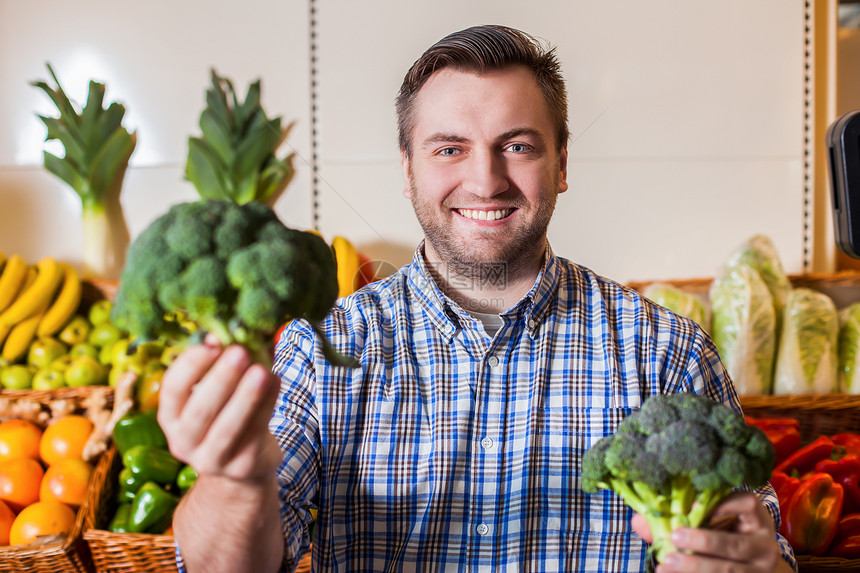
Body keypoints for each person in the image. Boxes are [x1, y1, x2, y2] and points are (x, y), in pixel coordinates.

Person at [159, 25, 797, 572]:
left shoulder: (667, 352)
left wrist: (755, 561)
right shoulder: (326, 346)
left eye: (517, 146)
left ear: (562, 164)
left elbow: (767, 550)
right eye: (450, 149)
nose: (486, 180)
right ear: (407, 170)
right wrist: (234, 478)